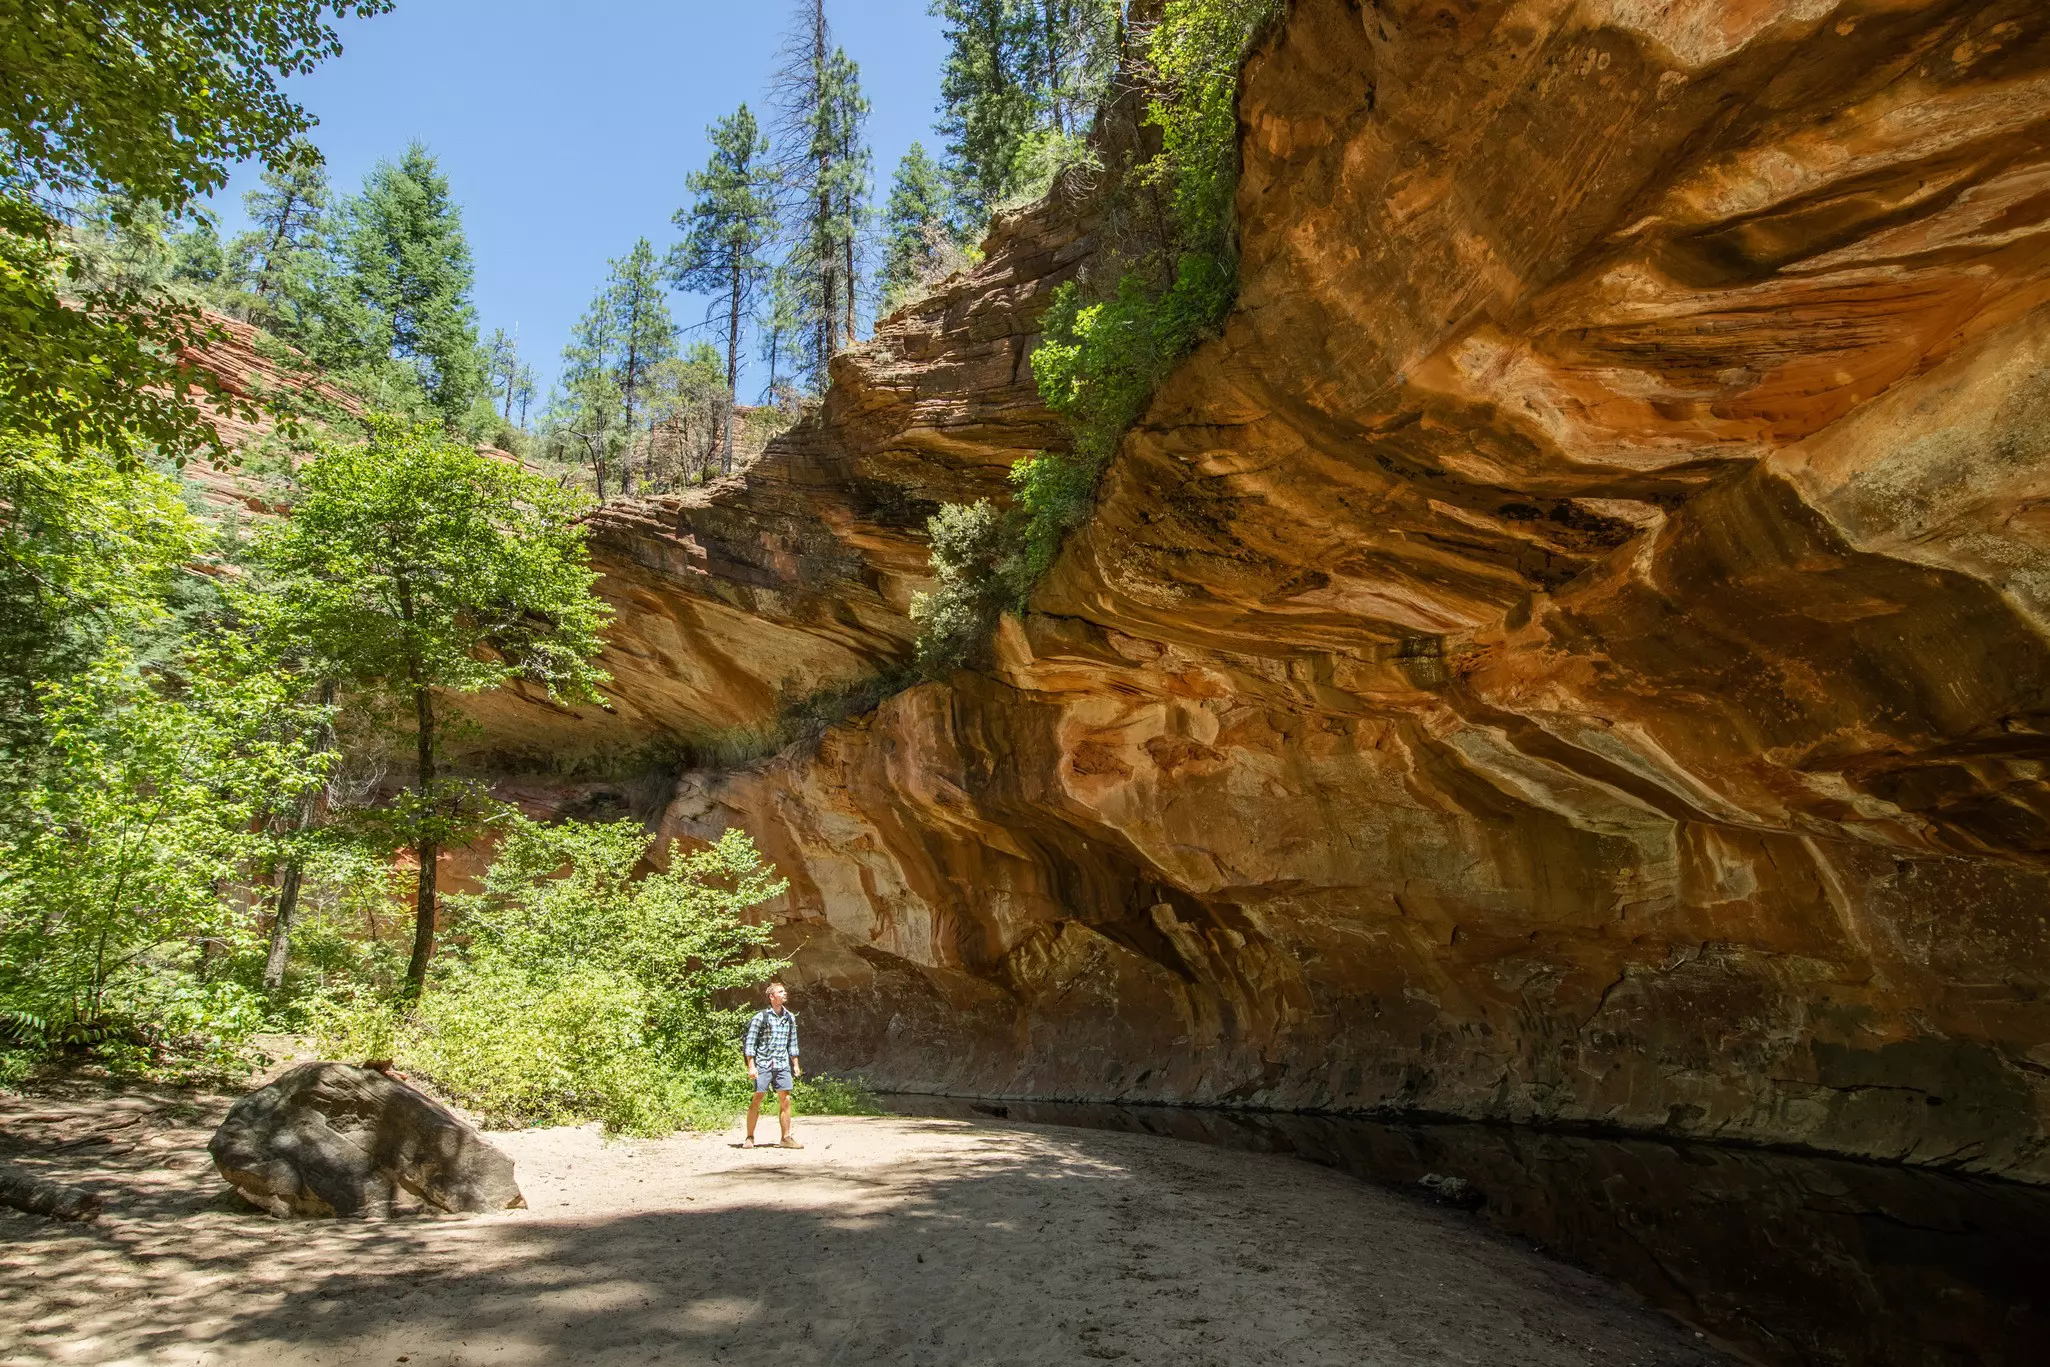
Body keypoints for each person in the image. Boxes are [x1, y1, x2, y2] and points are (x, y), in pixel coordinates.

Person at [742, 981, 803, 1149]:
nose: (785, 994)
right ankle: (749, 1137)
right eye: (781, 992)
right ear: (771, 996)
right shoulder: (760, 1017)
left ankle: (785, 1138)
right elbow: (750, 1044)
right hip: (763, 1063)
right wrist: (751, 1066)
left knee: (786, 1099)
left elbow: (793, 1043)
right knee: (758, 1097)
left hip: (782, 1063)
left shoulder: (789, 1017)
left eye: (784, 991)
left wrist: (795, 1064)